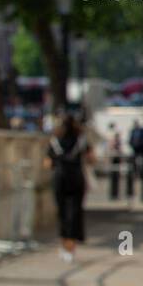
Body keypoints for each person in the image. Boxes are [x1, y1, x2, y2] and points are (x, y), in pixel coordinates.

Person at [43, 112, 95, 263]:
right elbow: (92, 158)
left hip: (60, 178)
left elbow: (47, 163)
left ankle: (64, 244)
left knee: (62, 212)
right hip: (77, 178)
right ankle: (71, 247)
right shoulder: (81, 140)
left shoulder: (55, 141)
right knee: (75, 212)